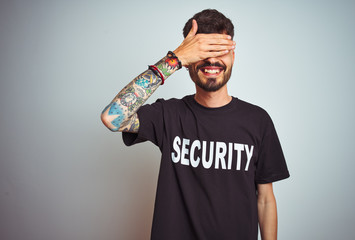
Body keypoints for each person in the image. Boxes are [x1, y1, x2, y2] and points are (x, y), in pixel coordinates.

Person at [101, 9, 289, 240]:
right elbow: (112, 117)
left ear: (233, 55)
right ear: (188, 61)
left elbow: (265, 198)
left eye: (219, 50)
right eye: (202, 52)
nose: (212, 60)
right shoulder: (168, 114)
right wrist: (173, 60)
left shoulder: (258, 120)